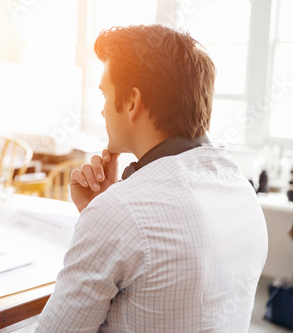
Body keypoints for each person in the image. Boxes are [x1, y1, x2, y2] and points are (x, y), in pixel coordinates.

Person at [36, 24, 268, 332]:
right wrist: (100, 211)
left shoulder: (119, 213)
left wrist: (103, 215)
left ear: (132, 102)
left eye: (105, 94)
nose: (103, 111)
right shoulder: (242, 192)